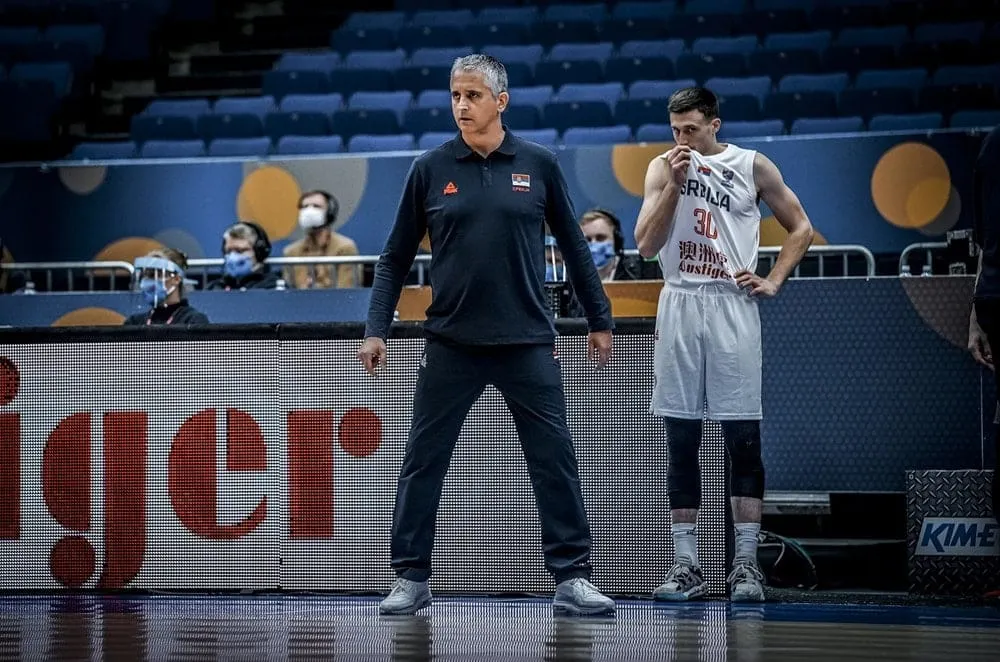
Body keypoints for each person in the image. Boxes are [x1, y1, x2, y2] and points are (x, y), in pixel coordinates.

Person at [357, 53, 616, 617]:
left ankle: (572, 578)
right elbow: (394, 256)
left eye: (473, 95)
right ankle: (411, 578)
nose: (461, 106)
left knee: (554, 461)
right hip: (450, 342)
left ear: (501, 101)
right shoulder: (428, 167)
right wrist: (377, 327)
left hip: (527, 340)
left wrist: (600, 319)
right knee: (422, 460)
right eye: (455, 95)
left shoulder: (539, 164)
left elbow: (574, 246)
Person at [634, 87, 814, 602]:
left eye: (690, 129)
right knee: (681, 439)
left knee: (743, 438)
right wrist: (675, 184)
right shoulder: (661, 168)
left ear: (714, 123)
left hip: (732, 301)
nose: (681, 139)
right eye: (674, 130)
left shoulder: (753, 166)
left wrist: (775, 278)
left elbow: (800, 227)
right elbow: (646, 245)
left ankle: (746, 565)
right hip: (681, 300)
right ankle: (686, 565)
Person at [967, 123, 1000, 524]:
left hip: (992, 294)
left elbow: (984, 239)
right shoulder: (994, 145)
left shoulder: (992, 142)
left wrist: (977, 312)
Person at [282, 190, 361, 289]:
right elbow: (289, 291)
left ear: (329, 213)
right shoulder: (291, 252)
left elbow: (347, 289)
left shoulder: (345, 247)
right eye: (305, 207)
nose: (309, 211)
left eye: (316, 206)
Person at [123, 248, 209, 326]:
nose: (148, 281)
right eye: (145, 276)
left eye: (155, 275)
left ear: (176, 279)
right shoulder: (134, 322)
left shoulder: (193, 321)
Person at [206, 221, 280, 291]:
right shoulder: (213, 288)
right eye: (228, 251)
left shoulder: (273, 289)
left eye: (240, 251)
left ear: (259, 253)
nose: (232, 257)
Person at [578, 208, 641, 282]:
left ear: (616, 242)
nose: (594, 245)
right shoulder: (572, 276)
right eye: (587, 240)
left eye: (600, 238)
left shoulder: (637, 274)